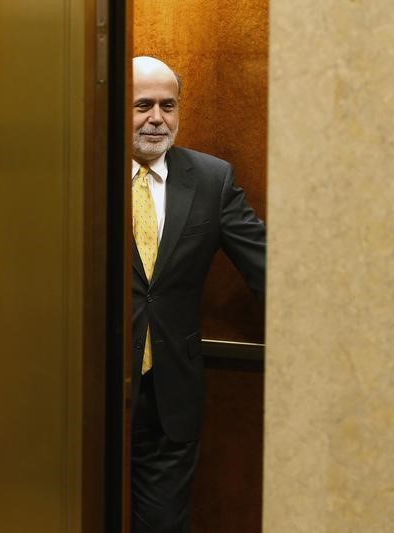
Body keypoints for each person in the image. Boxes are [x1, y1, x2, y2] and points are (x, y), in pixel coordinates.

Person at [130, 56, 266, 533]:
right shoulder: (78, 175)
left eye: (168, 105)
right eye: (143, 105)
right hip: (88, 391)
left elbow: (268, 269)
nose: (157, 118)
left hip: (171, 395)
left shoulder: (212, 179)